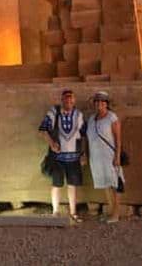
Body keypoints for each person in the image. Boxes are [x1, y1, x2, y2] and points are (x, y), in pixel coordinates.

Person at [38, 89, 86, 221]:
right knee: (57, 184)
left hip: (74, 157)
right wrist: (52, 143)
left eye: (71, 99)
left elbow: (83, 135)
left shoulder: (79, 115)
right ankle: (55, 212)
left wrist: (83, 153)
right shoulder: (54, 112)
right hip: (57, 157)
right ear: (62, 100)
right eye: (66, 98)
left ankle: (73, 212)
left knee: (73, 184)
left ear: (74, 100)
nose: (68, 101)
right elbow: (42, 130)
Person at [86, 91, 124, 223]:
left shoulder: (112, 118)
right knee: (105, 184)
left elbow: (118, 140)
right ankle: (111, 211)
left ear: (106, 104)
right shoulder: (91, 119)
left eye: (102, 102)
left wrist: (117, 156)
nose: (99, 104)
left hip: (110, 156)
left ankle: (116, 214)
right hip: (96, 158)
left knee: (115, 184)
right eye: (97, 102)